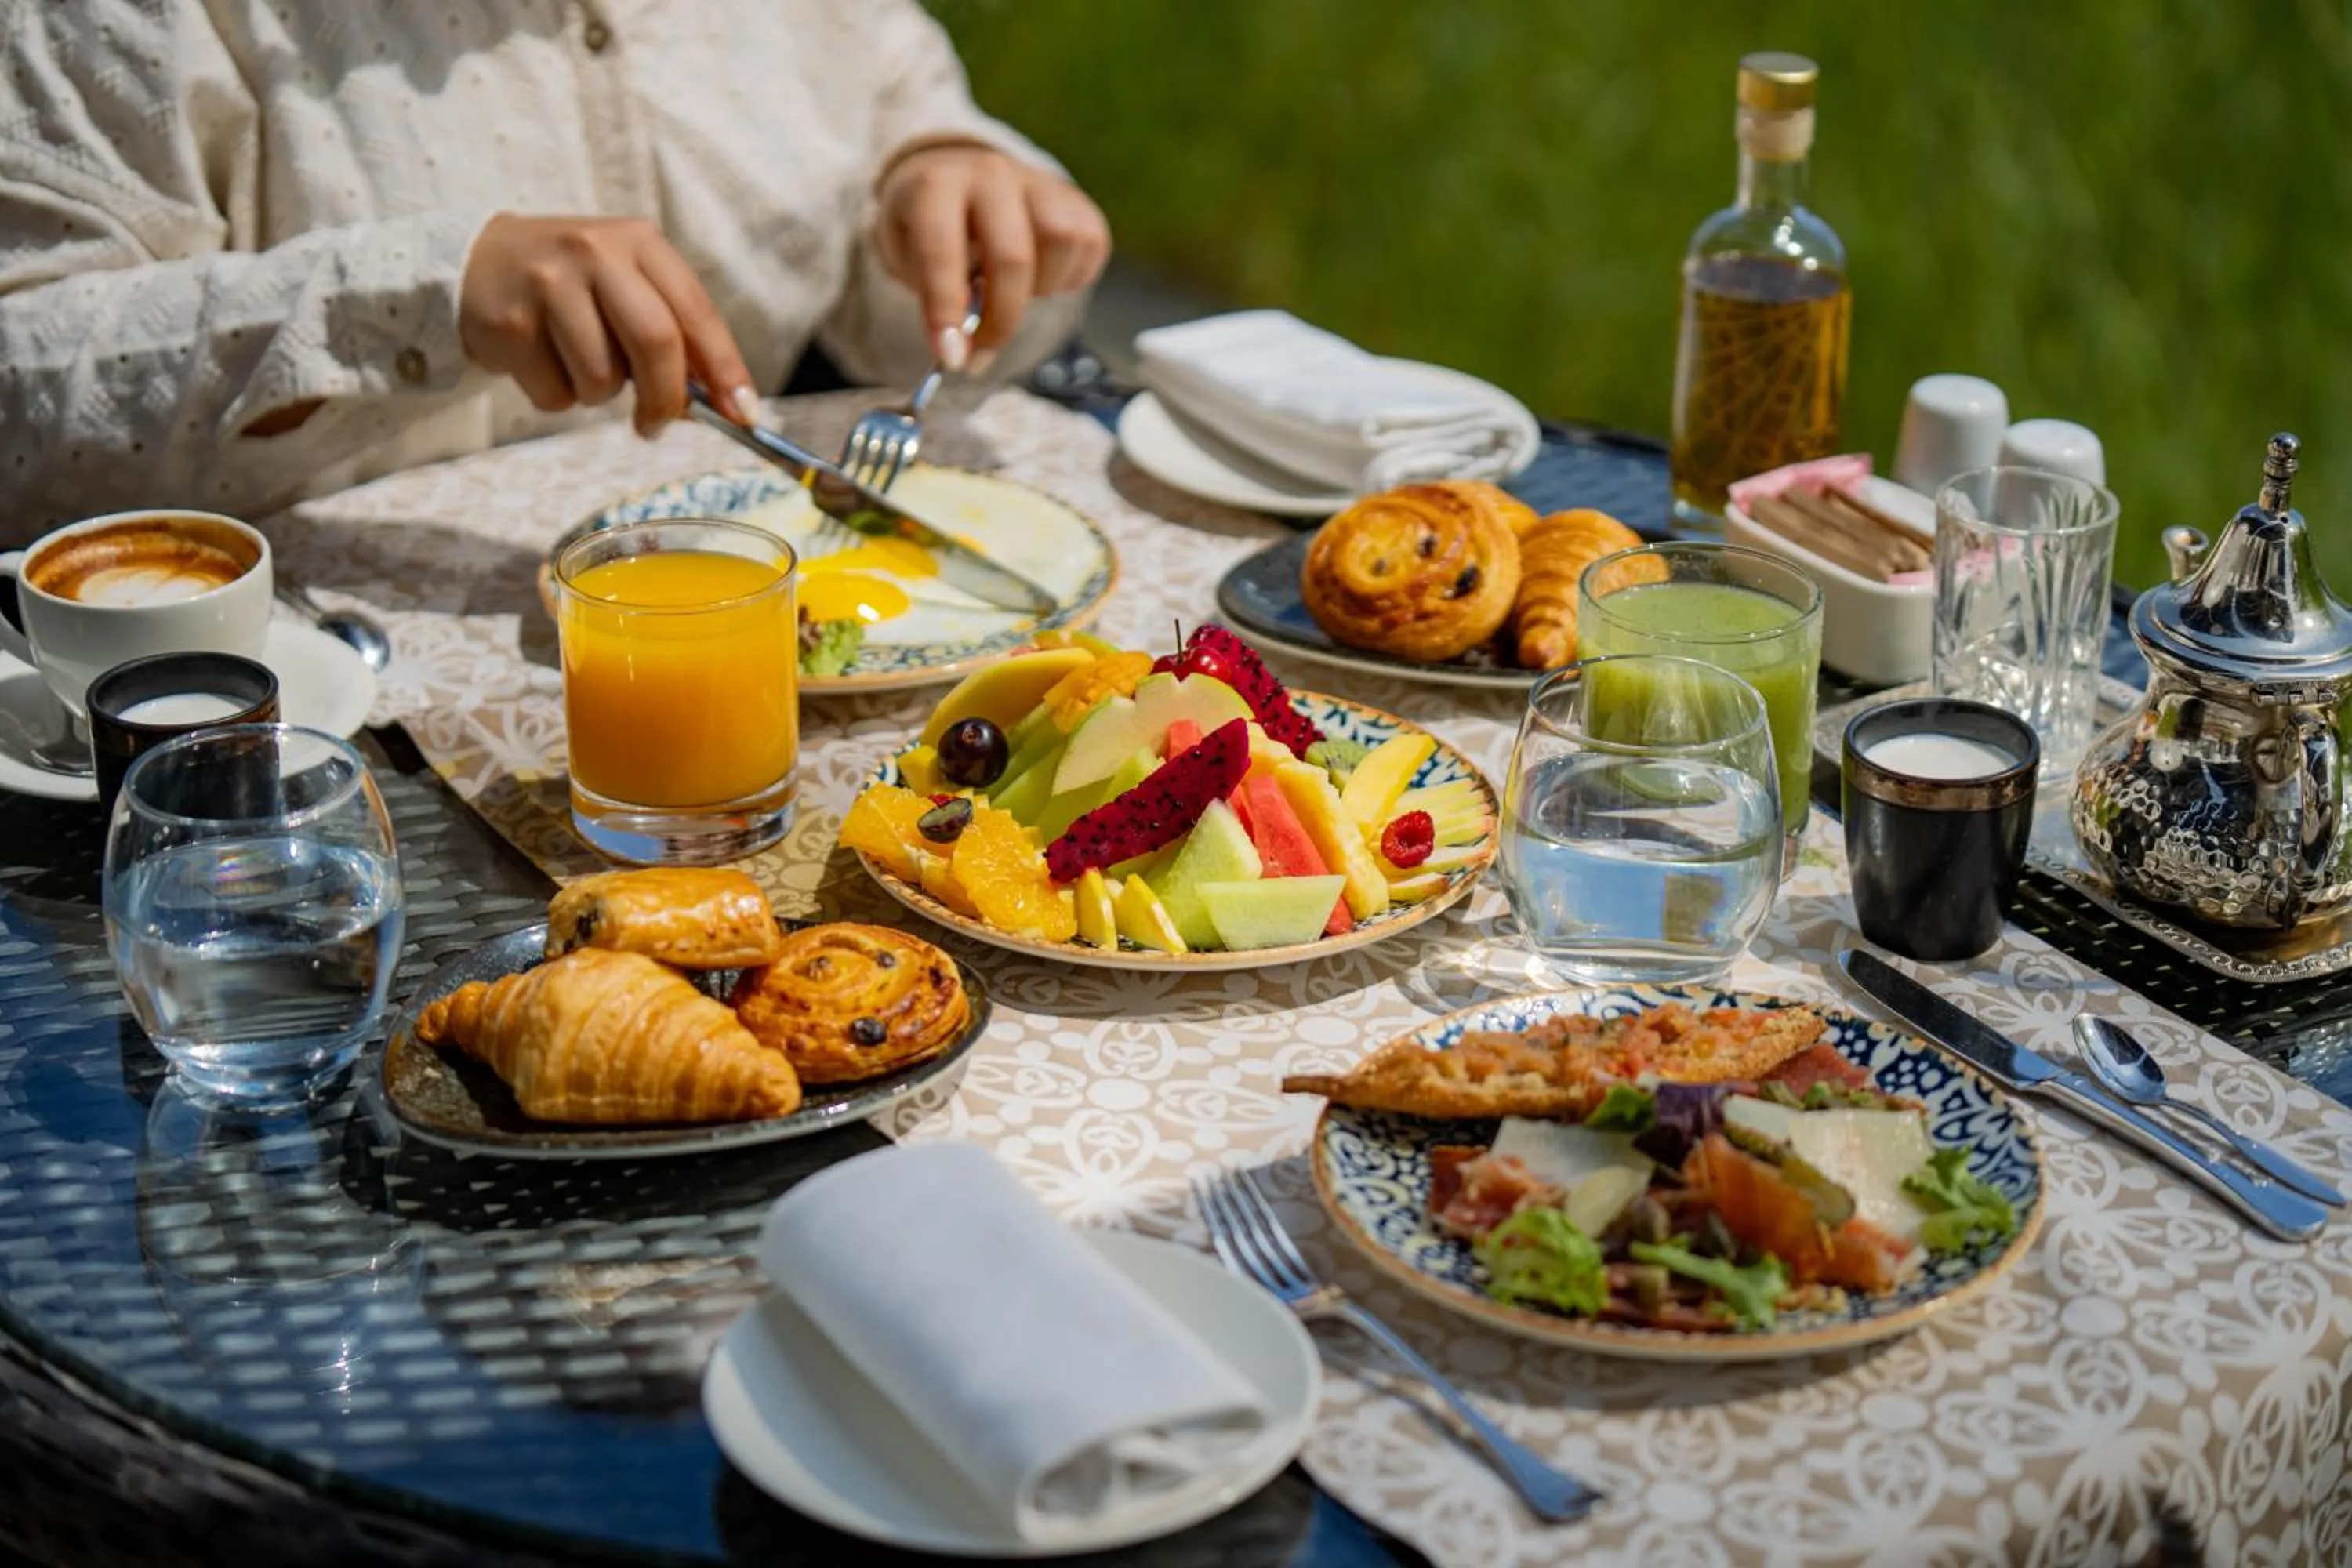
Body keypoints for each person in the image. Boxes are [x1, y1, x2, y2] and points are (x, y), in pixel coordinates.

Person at [0, 2, 1110, 538]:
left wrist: (951, 171)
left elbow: (902, 129)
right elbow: (24, 404)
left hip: (773, 638)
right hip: (306, 744)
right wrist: (414, 298)